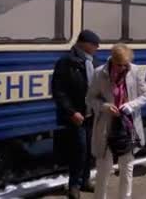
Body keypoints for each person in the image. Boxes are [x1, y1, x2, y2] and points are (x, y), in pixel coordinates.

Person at [86, 44, 146, 199]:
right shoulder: (99, 73)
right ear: (112, 61)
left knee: (127, 168)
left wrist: (131, 105)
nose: (122, 68)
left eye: (125, 65)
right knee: (103, 170)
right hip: (106, 127)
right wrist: (104, 106)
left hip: (128, 126)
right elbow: (90, 98)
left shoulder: (135, 71)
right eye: (119, 65)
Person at [51, 30, 100, 199]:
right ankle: (74, 186)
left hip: (92, 114)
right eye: (94, 45)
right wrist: (72, 112)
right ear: (83, 43)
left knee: (89, 149)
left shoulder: (92, 62)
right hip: (76, 116)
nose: (96, 48)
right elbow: (59, 92)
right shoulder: (66, 62)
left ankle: (85, 181)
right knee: (78, 150)